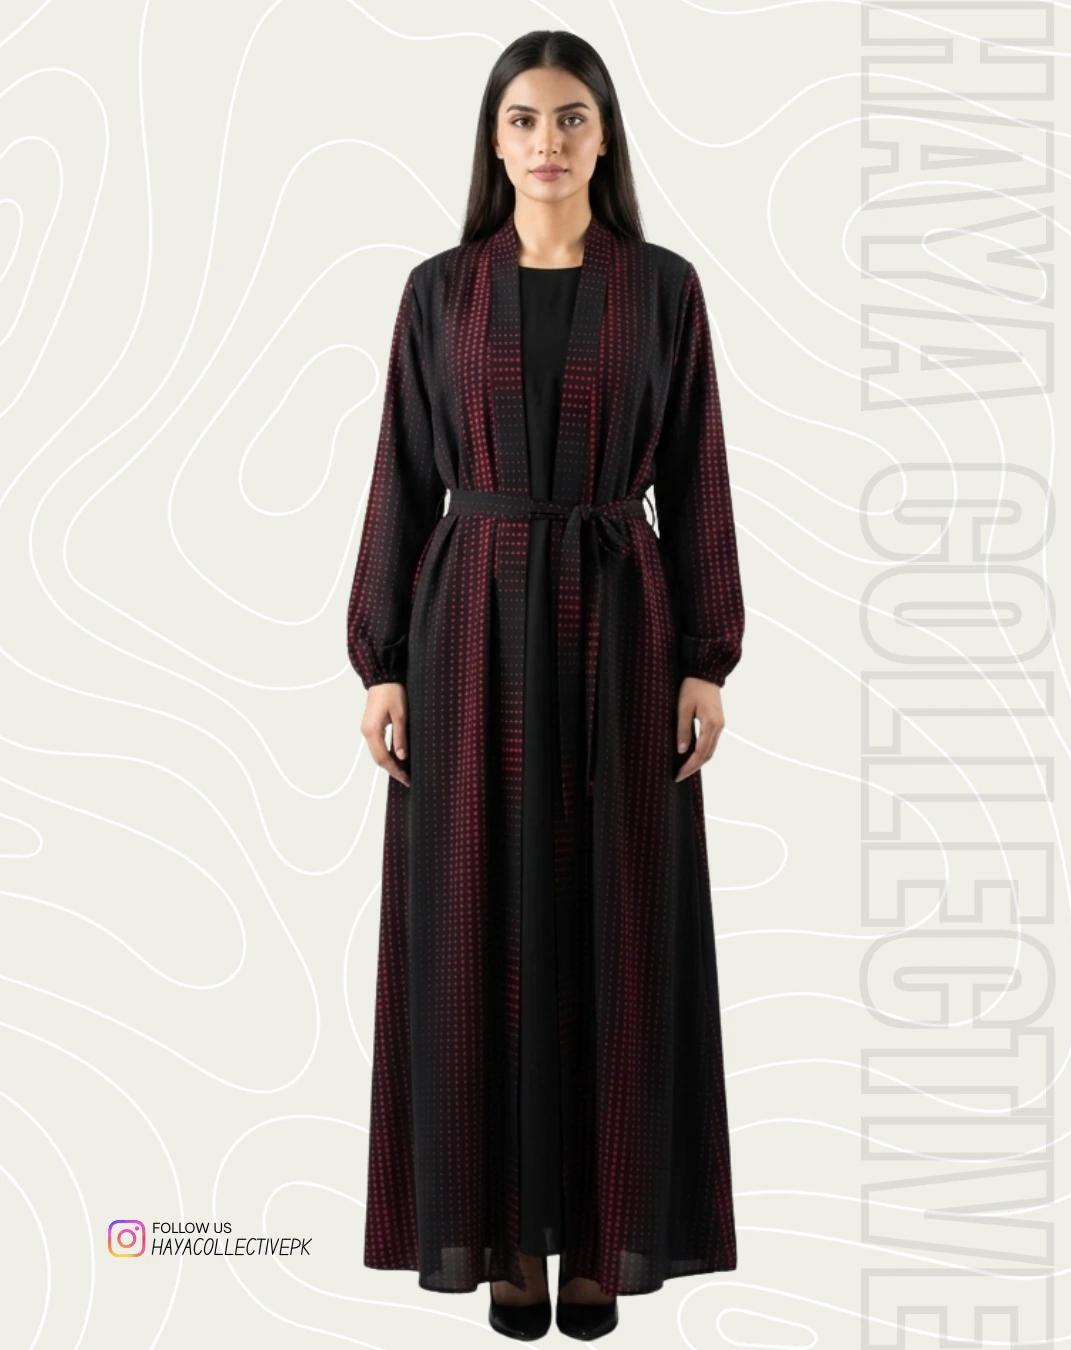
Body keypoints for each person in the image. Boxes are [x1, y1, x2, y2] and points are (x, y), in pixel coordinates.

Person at [347, 29, 745, 1343]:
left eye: (571, 118)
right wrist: (382, 661)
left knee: (614, 920)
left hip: (622, 625)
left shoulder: (664, 289)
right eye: (524, 119)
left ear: (604, 135)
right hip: (468, 626)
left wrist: (706, 653)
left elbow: (696, 471)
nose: (548, 141)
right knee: (479, 919)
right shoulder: (439, 292)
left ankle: (605, 1234)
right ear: (495, 139)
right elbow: (405, 473)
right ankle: (508, 1241)